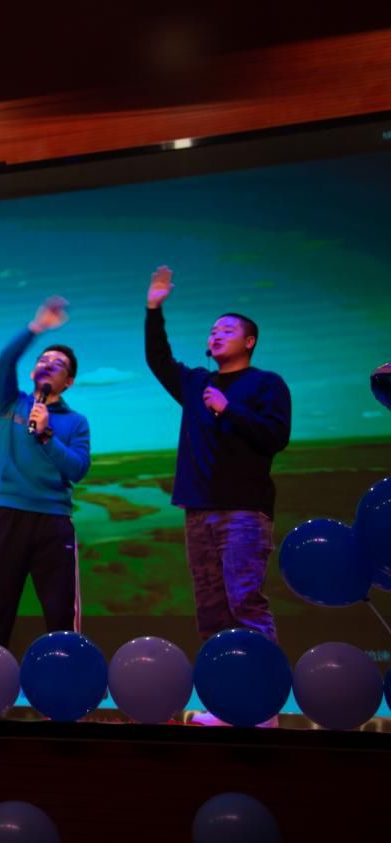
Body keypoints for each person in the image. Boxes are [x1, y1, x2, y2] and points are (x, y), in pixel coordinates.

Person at [144, 265, 291, 652]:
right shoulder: (196, 382)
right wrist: (154, 309)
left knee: (245, 605)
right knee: (210, 613)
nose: (216, 335)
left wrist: (229, 409)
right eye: (213, 331)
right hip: (197, 511)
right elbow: (158, 359)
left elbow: (276, 437)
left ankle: (264, 689)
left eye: (227, 330)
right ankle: (222, 686)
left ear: (249, 341)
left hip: (244, 511)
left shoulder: (267, 383)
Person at [0, 296, 90, 650]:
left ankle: (67, 681)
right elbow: (5, 360)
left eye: (58, 364)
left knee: (61, 616)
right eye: (43, 360)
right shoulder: (11, 402)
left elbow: (77, 469)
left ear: (69, 381)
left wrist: (47, 435)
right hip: (7, 516)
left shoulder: (76, 422)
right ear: (32, 371)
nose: (48, 364)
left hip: (54, 522)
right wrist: (36, 327)